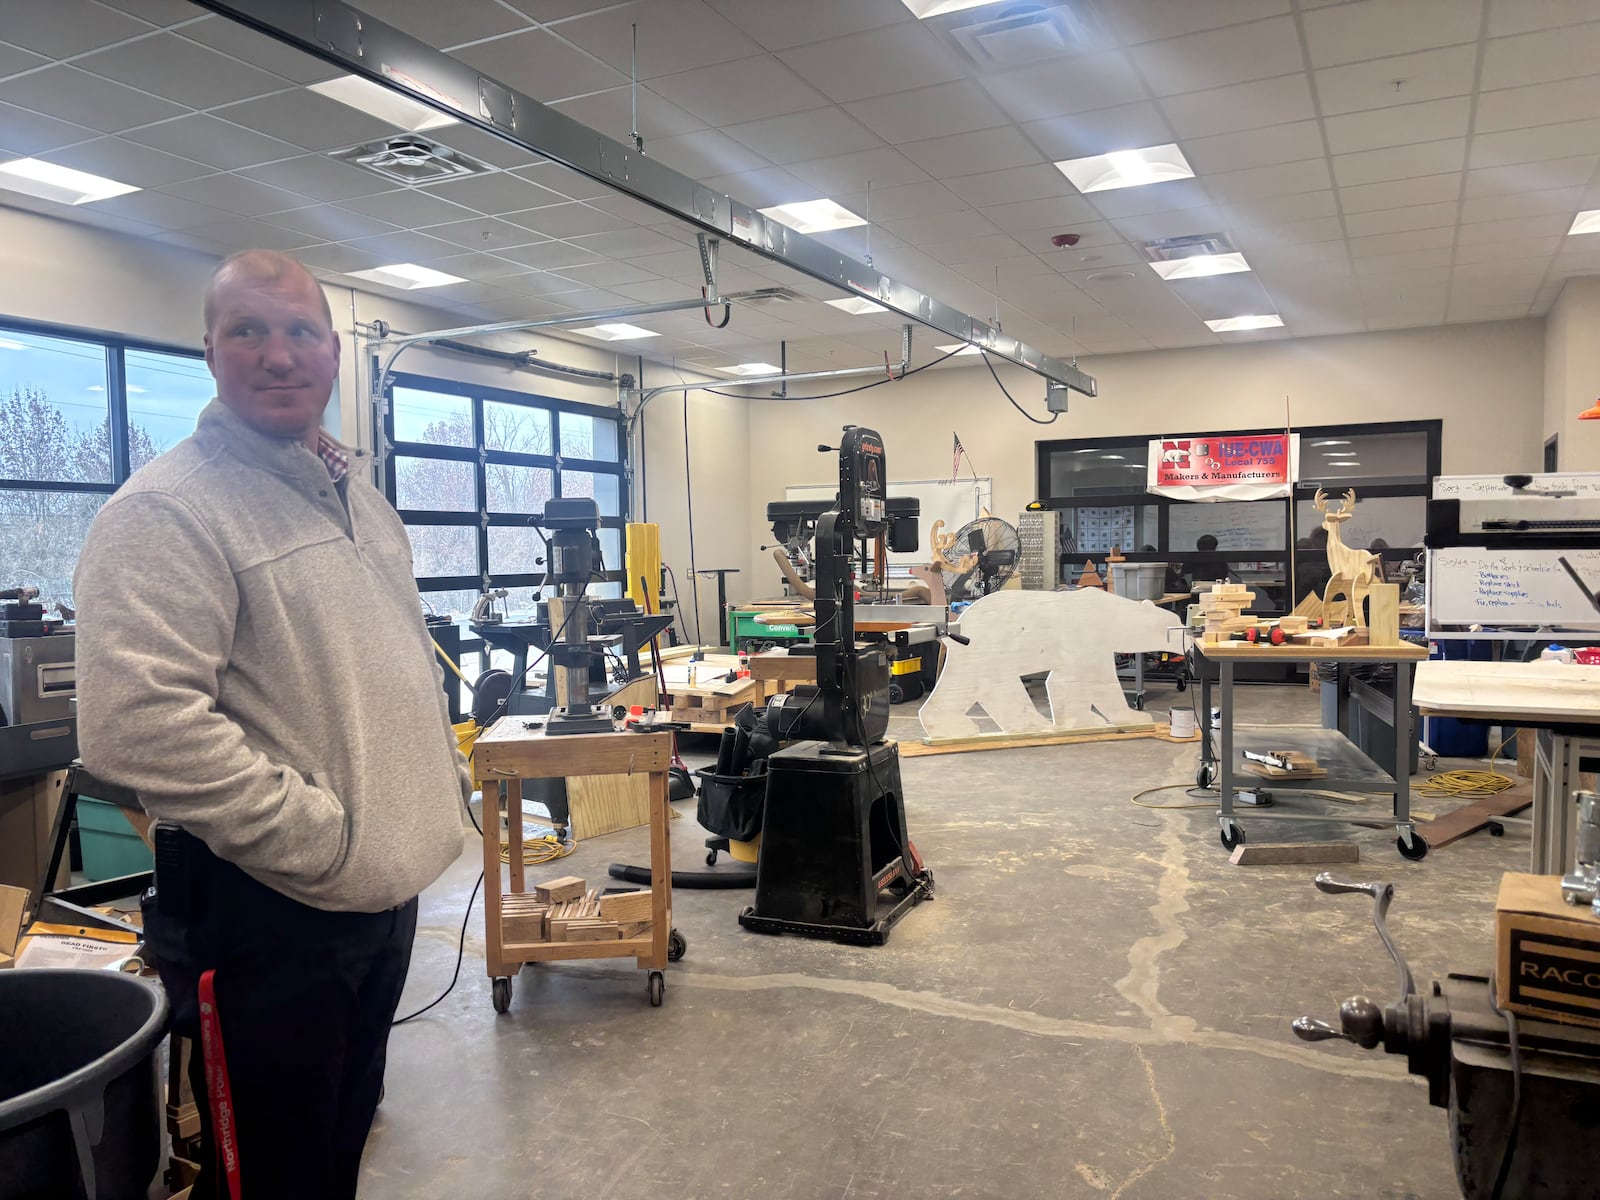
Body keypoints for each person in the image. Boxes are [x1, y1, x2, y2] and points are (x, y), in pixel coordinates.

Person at [74, 250, 471, 1199]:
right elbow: (138, 728)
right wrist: (322, 840)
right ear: (209, 351)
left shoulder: (364, 503)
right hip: (267, 911)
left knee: (336, 1149)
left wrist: (421, 804)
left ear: (336, 354)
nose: (278, 355)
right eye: (248, 330)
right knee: (268, 1176)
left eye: (300, 332)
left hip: (376, 902)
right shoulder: (168, 511)